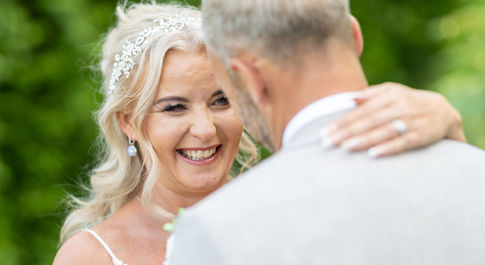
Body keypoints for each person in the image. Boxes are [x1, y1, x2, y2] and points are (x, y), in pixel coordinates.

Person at [53, 3, 468, 265]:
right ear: (128, 120)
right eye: (175, 107)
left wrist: (451, 129)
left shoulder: (300, 199)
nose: (204, 128)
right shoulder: (91, 257)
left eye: (220, 100)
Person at [169, 0, 485, 264]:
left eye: (225, 92)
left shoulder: (216, 229)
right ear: (354, 36)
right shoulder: (474, 169)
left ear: (250, 79)